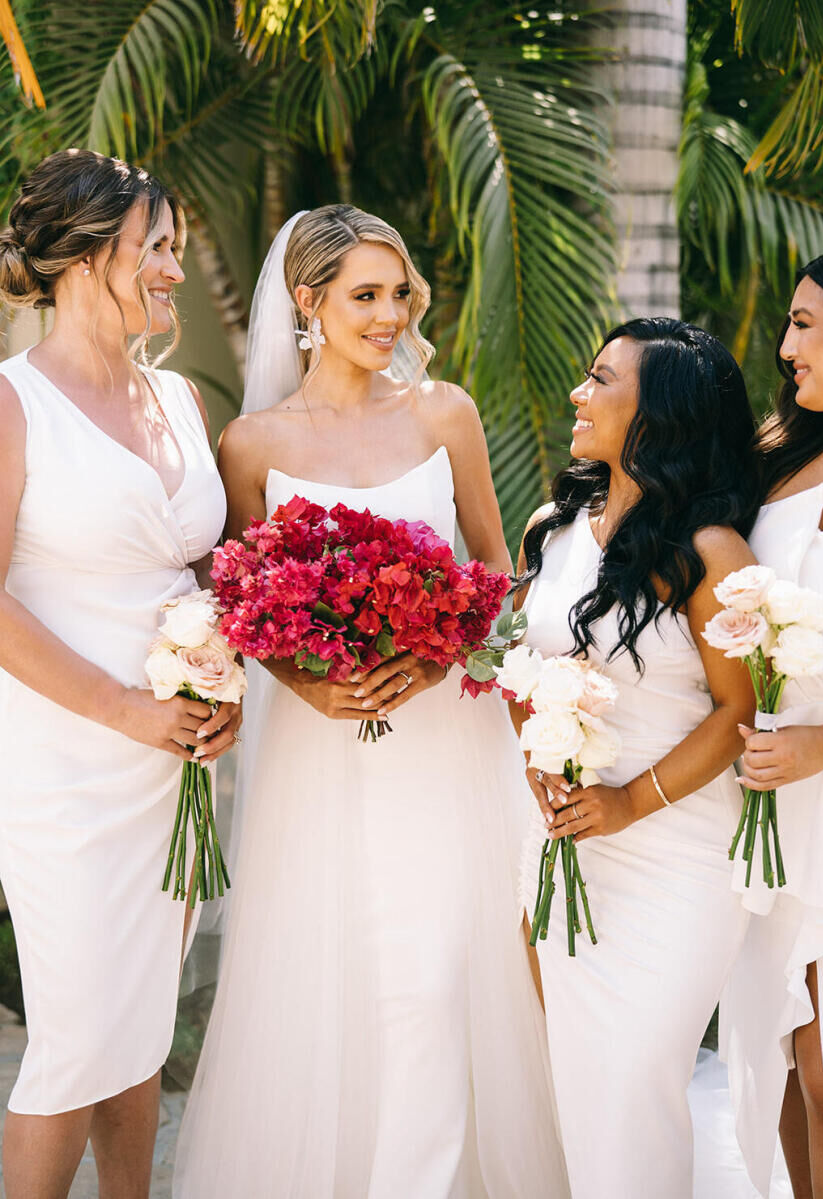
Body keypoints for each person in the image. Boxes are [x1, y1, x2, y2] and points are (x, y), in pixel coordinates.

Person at [173, 205, 568, 1198]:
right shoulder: (253, 444)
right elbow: (243, 606)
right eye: (366, 294)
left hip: (445, 744)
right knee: (341, 980)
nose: (391, 313)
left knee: (433, 979)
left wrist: (432, 661)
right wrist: (317, 686)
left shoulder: (444, 412)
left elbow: (493, 576)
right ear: (308, 301)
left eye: (401, 293)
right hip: (318, 753)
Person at [0, 149, 239, 1199]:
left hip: (174, 761)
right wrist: (125, 710)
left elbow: (201, 570)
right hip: (64, 764)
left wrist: (218, 683)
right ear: (88, 256)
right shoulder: (12, 403)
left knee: (136, 1024)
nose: (173, 271)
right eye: (159, 249)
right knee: (75, 1035)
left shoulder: (180, 399)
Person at [513, 318, 760, 1198]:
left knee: (631, 1083)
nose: (578, 395)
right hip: (563, 844)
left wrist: (627, 803)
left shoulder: (710, 550)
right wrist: (539, 761)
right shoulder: (550, 527)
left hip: (678, 856)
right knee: (576, 1089)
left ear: (658, 414)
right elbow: (523, 671)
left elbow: (740, 711)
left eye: (600, 380)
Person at [724, 244, 823, 1199]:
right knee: (777, 1061)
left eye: (807, 324)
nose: (785, 346)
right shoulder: (779, 461)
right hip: (768, 811)